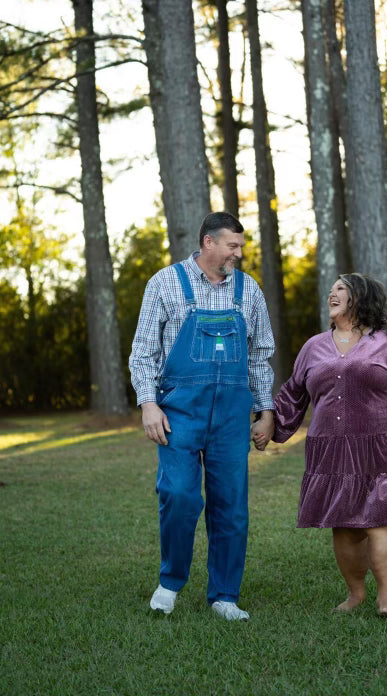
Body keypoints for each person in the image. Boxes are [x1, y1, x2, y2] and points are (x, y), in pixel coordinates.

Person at [254, 273, 387, 617]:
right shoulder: (314, 347)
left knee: (385, 519)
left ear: (360, 297)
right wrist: (270, 423)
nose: (332, 293)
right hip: (332, 450)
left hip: (386, 448)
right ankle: (356, 594)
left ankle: (386, 598)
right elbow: (294, 394)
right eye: (331, 289)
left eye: (341, 288)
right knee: (344, 524)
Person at [129, 212, 275, 621]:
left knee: (231, 506)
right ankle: (170, 581)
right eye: (233, 245)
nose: (239, 254)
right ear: (209, 242)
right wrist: (148, 403)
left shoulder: (250, 291)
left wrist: (266, 411)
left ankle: (224, 595)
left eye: (241, 246)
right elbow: (143, 352)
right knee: (178, 495)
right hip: (178, 412)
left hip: (231, 415)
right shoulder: (165, 283)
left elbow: (261, 356)